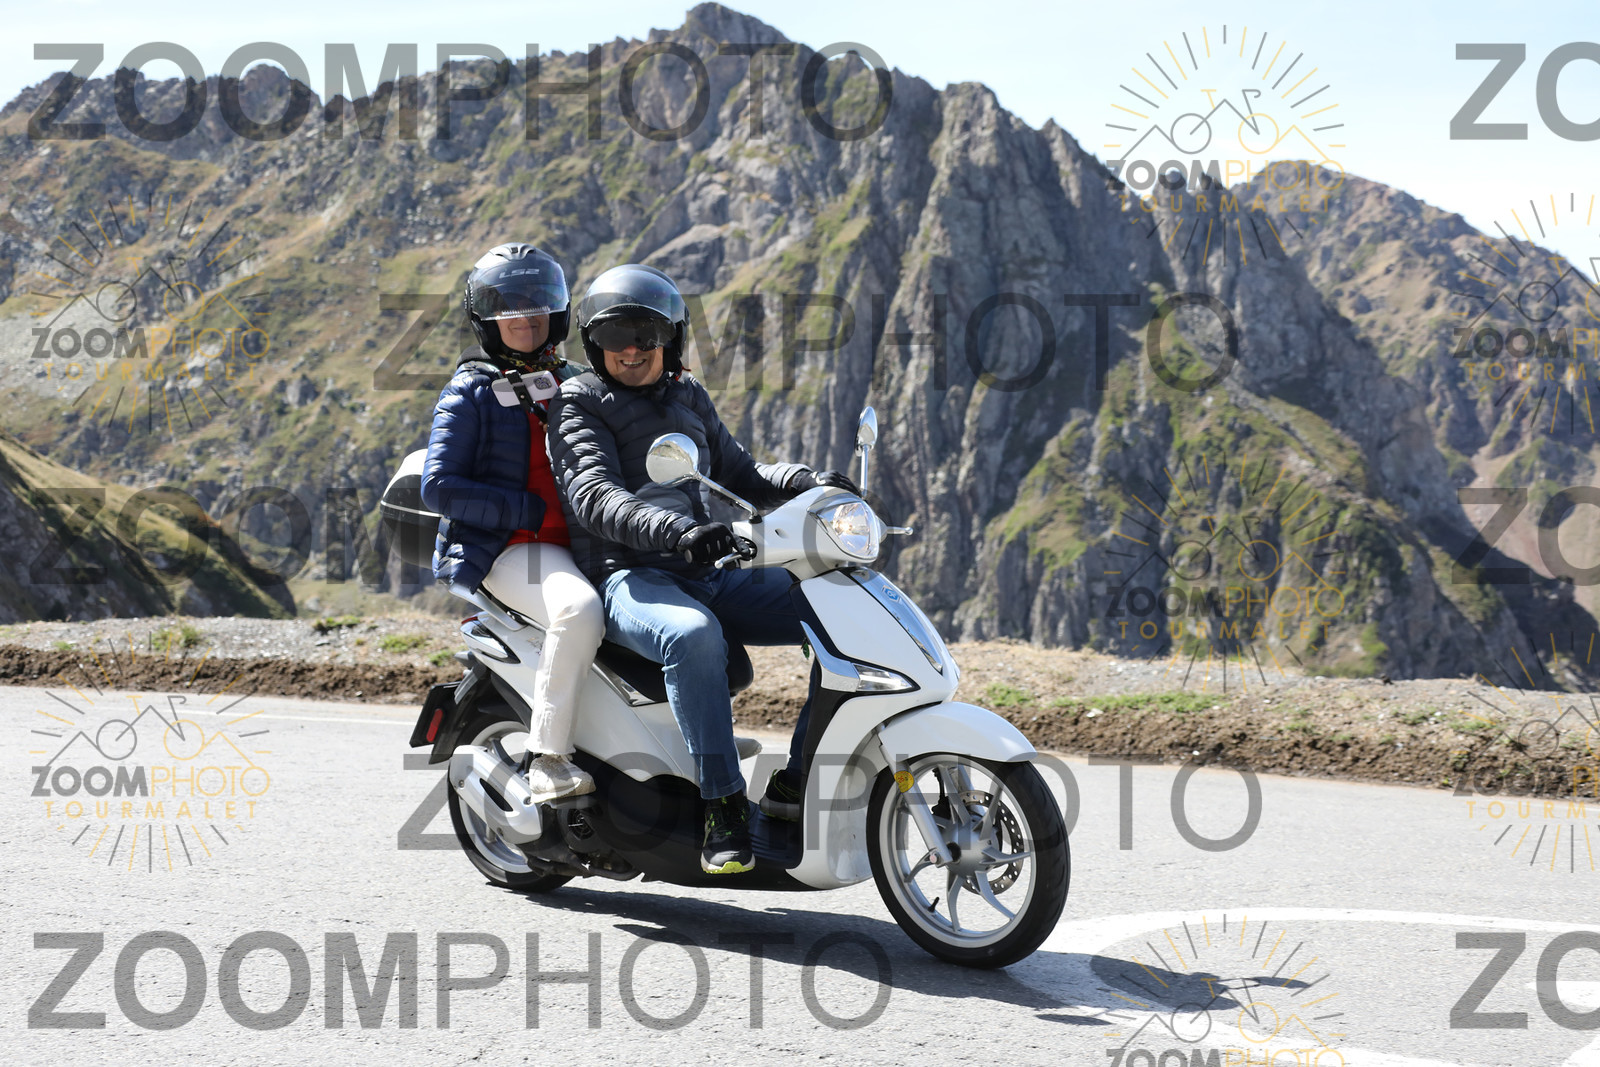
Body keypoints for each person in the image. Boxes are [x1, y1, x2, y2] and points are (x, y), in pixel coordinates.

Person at [547, 264, 858, 874]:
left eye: (646, 334)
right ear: (592, 344)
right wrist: (676, 531)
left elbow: (739, 472)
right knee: (692, 635)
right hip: (629, 575)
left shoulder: (688, 395)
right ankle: (723, 806)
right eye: (613, 336)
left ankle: (798, 780)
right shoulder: (578, 402)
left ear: (672, 338)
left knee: (835, 603)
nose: (631, 349)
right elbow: (594, 496)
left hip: (706, 566)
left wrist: (806, 480)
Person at [421, 243, 605, 801]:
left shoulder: (579, 380)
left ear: (557, 311)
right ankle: (548, 759)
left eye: (536, 303)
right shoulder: (471, 390)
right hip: (512, 547)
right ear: (486, 319)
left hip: (588, 542)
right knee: (579, 611)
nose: (525, 317)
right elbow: (439, 486)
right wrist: (527, 510)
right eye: (508, 306)